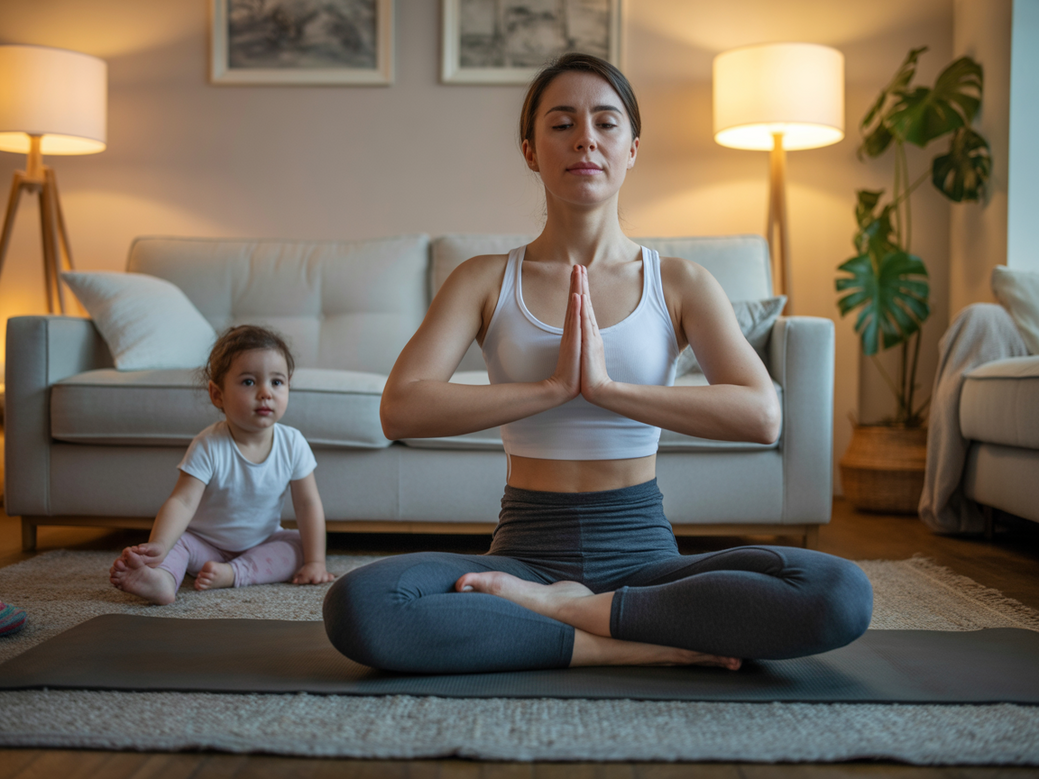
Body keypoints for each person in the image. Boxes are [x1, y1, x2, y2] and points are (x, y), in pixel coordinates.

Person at [322, 53, 873, 674]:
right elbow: (401, 408)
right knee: (361, 606)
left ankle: (559, 612)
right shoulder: (483, 279)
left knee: (838, 593)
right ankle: (627, 639)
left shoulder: (680, 282)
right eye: (561, 123)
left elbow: (762, 415)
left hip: (644, 555)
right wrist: (553, 388)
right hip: (524, 552)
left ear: (632, 148)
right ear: (530, 149)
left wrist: (608, 389)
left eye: (606, 123)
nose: (585, 137)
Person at [110, 325, 334, 604]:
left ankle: (233, 573)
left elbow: (307, 504)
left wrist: (315, 562)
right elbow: (182, 502)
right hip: (204, 546)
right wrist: (159, 546)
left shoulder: (293, 443)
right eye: (249, 382)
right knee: (178, 544)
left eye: (276, 382)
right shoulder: (208, 444)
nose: (265, 393)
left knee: (299, 545)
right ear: (217, 394)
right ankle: (163, 580)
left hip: (262, 543)